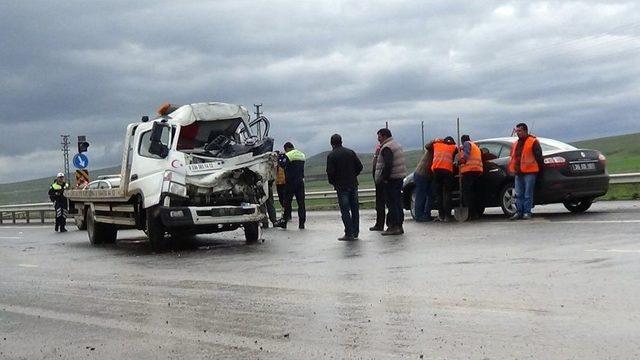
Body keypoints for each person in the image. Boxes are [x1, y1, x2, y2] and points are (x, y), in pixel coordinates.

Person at [326, 134, 363, 241]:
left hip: (341, 186)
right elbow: (359, 167)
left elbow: (330, 173)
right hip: (353, 184)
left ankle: (349, 232)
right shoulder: (350, 152)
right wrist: (353, 175)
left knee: (345, 210)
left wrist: (334, 182)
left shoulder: (331, 156)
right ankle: (355, 231)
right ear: (341, 141)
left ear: (332, 143)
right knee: (355, 209)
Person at [373, 128, 406, 236]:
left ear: (384, 136)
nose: (378, 139)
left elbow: (388, 164)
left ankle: (394, 226)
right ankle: (398, 226)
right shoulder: (396, 145)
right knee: (397, 202)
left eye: (379, 136)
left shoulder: (387, 147)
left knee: (392, 203)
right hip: (398, 177)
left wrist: (384, 178)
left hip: (391, 179)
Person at [508, 122, 543, 220]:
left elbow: (539, 156)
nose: (517, 133)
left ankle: (527, 212)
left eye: (519, 131)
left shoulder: (533, 141)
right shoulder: (515, 143)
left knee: (528, 193)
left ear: (525, 131)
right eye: (517, 131)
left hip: (530, 172)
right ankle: (519, 212)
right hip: (518, 172)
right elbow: (513, 157)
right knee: (518, 194)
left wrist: (540, 170)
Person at [428, 136, 457, 222]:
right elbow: (460, 151)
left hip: (436, 171)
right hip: (448, 171)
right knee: (448, 193)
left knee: (439, 194)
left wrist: (436, 139)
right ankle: (448, 216)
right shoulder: (453, 147)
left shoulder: (436, 145)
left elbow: (427, 146)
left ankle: (441, 215)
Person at [278, 142, 306, 229]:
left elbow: (282, 164)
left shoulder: (289, 155)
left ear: (287, 148)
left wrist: (280, 157)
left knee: (286, 203)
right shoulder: (302, 155)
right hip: (300, 181)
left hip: (290, 182)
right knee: (301, 204)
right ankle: (302, 223)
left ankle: (284, 222)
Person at [458, 134, 484, 219]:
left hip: (469, 171)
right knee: (475, 192)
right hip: (477, 170)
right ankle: (477, 213)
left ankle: (470, 213)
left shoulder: (466, 144)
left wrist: (461, 161)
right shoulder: (475, 146)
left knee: (467, 193)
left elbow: (466, 153)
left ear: (462, 141)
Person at [413, 141, 435, 222]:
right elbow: (427, 146)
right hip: (421, 174)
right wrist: (435, 141)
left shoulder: (440, 151)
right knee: (421, 195)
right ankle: (419, 216)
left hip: (428, 176)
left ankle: (426, 214)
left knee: (431, 195)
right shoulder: (432, 148)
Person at [369, 143, 387, 231]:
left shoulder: (383, 149)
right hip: (380, 179)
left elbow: (375, 165)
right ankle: (380, 223)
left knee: (381, 203)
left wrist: (376, 154)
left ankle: (381, 224)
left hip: (381, 180)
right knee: (380, 204)